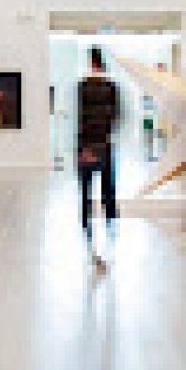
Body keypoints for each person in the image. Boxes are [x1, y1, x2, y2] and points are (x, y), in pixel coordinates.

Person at [76, 47, 122, 271]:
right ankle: (110, 229)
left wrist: (83, 147)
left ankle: (87, 229)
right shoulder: (112, 87)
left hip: (86, 145)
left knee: (86, 190)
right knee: (108, 191)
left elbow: (80, 118)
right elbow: (115, 117)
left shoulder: (82, 87)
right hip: (104, 144)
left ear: (91, 63)